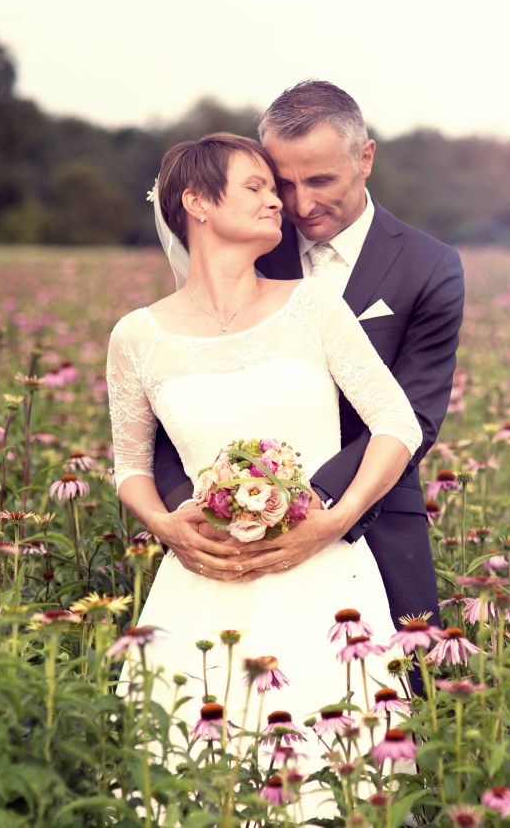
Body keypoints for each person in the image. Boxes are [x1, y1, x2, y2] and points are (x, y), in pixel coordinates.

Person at [107, 132, 419, 818]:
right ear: (196, 201)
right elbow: (129, 464)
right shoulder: (138, 335)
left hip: (322, 579)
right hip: (202, 579)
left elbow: (398, 425)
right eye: (254, 186)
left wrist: (334, 518)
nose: (276, 199)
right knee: (186, 782)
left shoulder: (313, 306)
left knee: (326, 780)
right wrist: (165, 525)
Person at [150, 81, 466, 633]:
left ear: (365, 158)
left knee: (397, 702)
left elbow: (414, 414)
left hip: (376, 520)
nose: (299, 204)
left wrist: (307, 505)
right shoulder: (244, 247)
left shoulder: (428, 266)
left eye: (321, 180)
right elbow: (171, 403)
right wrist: (193, 516)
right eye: (282, 182)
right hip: (221, 538)